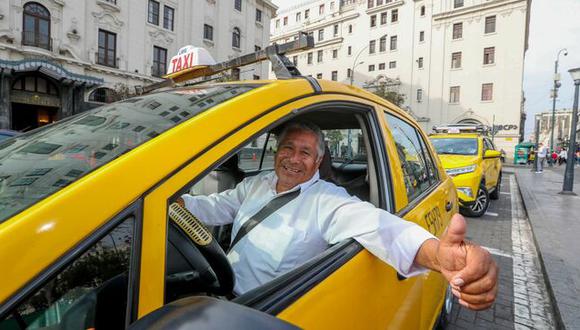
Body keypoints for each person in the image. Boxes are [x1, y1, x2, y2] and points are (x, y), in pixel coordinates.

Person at [179, 121, 498, 310]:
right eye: (287, 149)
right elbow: (212, 206)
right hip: (216, 289)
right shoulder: (256, 184)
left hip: (262, 310)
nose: (293, 159)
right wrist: (171, 203)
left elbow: (380, 226)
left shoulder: (328, 202)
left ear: (317, 163)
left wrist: (438, 256)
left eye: (305, 153)